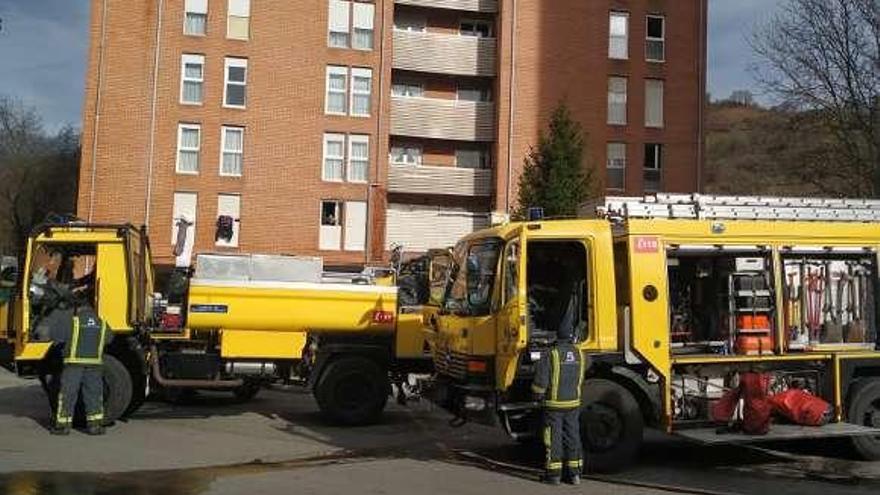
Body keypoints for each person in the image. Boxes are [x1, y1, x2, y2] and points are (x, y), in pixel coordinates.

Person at [531, 315, 587, 485]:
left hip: (554, 405)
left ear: (557, 335)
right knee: (572, 436)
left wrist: (536, 396)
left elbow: (541, 382)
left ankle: (554, 475)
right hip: (573, 403)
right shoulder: (580, 354)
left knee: (552, 438)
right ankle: (575, 474)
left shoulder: (551, 354)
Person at [51, 298, 113, 435]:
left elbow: (57, 338)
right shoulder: (102, 323)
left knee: (68, 394)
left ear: (77, 309)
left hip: (74, 364)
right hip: (94, 365)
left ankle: (63, 426)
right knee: (94, 394)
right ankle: (94, 426)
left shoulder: (73, 321)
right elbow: (109, 339)